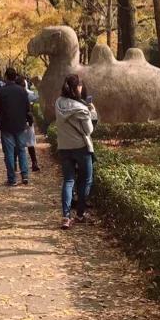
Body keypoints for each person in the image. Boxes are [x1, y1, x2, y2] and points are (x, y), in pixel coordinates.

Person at [55, 73, 97, 229]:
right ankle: (80, 213)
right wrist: (92, 111)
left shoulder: (58, 103)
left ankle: (66, 217)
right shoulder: (82, 108)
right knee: (86, 179)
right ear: (77, 87)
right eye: (80, 85)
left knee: (68, 180)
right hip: (81, 147)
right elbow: (89, 130)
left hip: (64, 147)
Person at [0, 66, 32, 186]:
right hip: (20, 124)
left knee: (9, 153)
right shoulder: (22, 91)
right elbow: (27, 108)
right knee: (21, 150)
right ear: (16, 77)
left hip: (6, 125)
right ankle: (24, 175)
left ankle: (12, 178)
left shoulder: (1, 91)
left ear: (5, 77)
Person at [16, 74, 40, 172]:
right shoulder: (29, 94)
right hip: (28, 120)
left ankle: (15, 165)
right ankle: (34, 162)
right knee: (30, 143)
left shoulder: (14, 94)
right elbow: (38, 98)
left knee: (17, 144)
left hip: (17, 121)